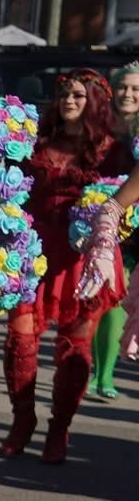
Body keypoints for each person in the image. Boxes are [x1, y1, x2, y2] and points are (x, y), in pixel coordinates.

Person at [0, 67, 129, 464]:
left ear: (95, 102)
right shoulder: (37, 141)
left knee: (75, 346)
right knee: (20, 339)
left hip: (83, 259)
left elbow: (128, 204)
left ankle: (60, 428)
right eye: (64, 94)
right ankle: (23, 419)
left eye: (77, 95)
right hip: (34, 251)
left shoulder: (114, 150)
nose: (69, 101)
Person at [87, 63, 139, 398]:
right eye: (123, 87)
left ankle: (105, 373)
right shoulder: (97, 125)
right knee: (98, 297)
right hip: (95, 218)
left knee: (118, 297)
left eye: (136, 89)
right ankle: (93, 369)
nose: (128, 94)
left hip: (133, 227)